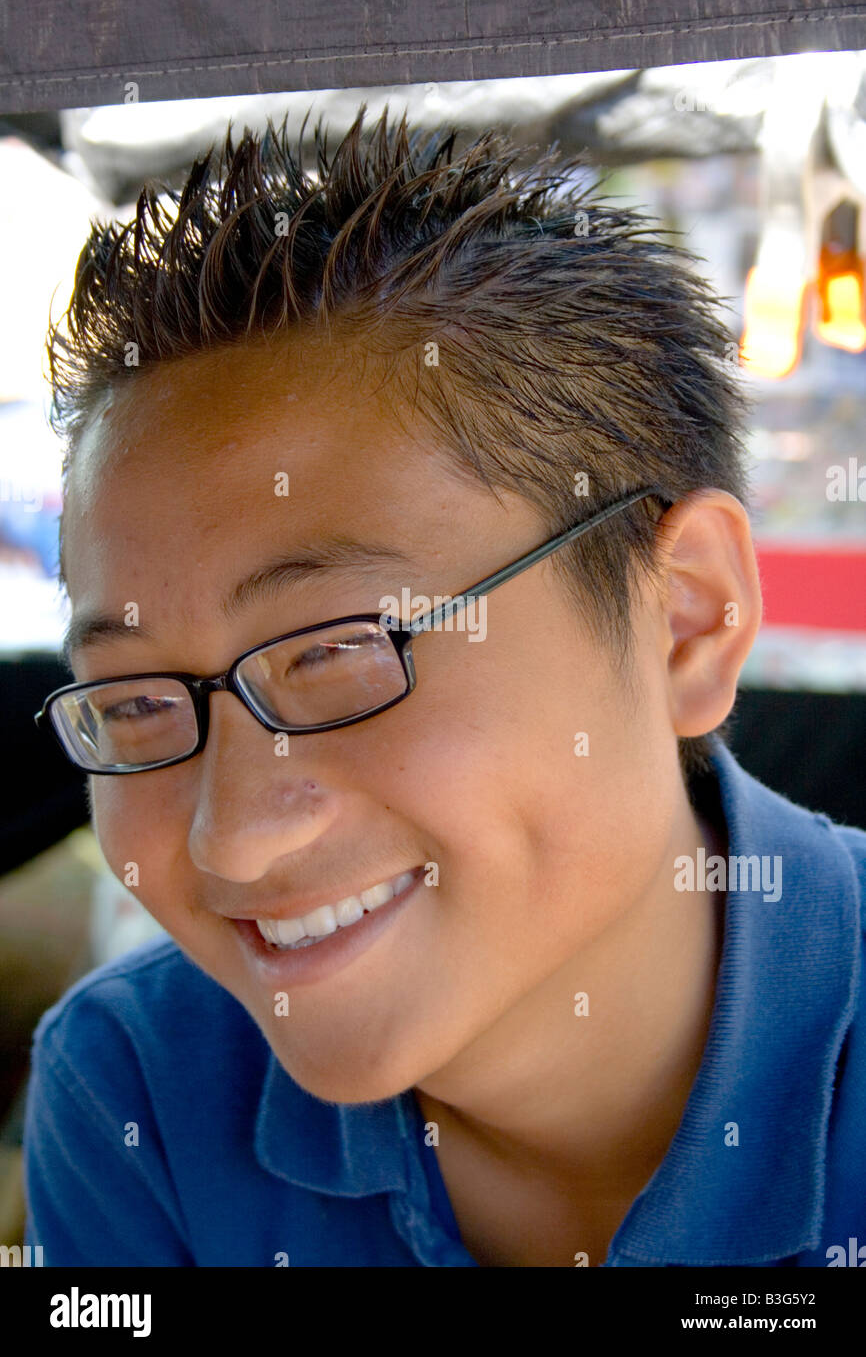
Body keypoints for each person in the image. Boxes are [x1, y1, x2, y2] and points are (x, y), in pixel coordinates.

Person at [23, 105, 865, 1267]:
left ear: (680, 622)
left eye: (331, 649)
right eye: (134, 703)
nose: (231, 840)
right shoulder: (138, 1097)